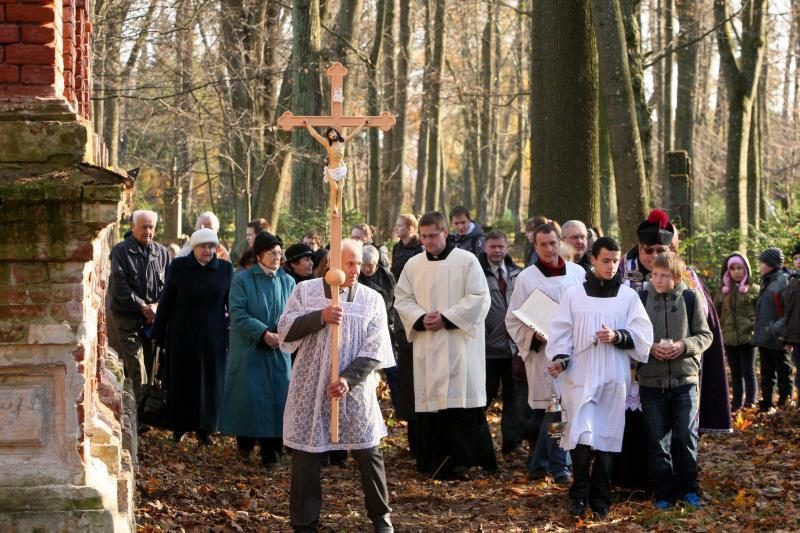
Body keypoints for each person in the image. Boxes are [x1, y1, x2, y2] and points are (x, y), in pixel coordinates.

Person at [278, 239, 395, 533]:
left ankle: (381, 518)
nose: (356, 270)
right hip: (311, 385)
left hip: (353, 389)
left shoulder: (372, 299)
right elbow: (285, 330)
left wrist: (347, 379)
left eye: (358, 263)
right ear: (332, 263)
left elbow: (376, 347)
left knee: (369, 452)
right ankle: (304, 522)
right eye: (350, 263)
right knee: (306, 456)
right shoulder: (305, 291)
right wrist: (320, 317)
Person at [546, 236, 653, 518]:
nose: (611, 266)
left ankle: (601, 498)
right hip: (579, 377)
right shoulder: (574, 295)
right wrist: (558, 359)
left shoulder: (628, 297)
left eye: (615, 261)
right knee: (581, 438)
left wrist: (617, 336)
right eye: (605, 260)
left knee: (606, 440)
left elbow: (643, 337)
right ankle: (578, 495)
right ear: (592, 260)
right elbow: (560, 333)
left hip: (612, 377)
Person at [395, 211, 496, 480]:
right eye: (424, 236)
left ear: (444, 232)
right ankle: (431, 461)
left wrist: (447, 318)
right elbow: (402, 298)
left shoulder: (467, 261)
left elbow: (480, 297)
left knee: (459, 401)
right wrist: (419, 317)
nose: (428, 241)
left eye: (433, 235)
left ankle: (464, 461)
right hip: (428, 345)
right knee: (432, 403)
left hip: (458, 344)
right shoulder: (414, 265)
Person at [506, 223, 584, 483]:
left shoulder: (577, 273)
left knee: (560, 409)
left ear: (560, 241)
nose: (549, 249)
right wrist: (534, 335)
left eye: (553, 243)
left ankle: (541, 464)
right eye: (543, 245)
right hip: (544, 355)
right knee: (555, 409)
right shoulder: (526, 278)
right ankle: (557, 465)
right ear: (535, 246)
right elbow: (513, 319)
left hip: (574, 352)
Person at [638, 252, 712, 509]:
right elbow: (634, 336)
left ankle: (689, 489)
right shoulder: (641, 299)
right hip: (651, 382)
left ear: (678, 277)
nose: (657, 280)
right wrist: (650, 349)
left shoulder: (690, 299)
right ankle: (663, 493)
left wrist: (684, 345)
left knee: (686, 438)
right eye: (654, 275)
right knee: (659, 442)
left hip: (685, 380)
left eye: (664, 276)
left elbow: (705, 336)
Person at [220, 231, 296, 467]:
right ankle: (245, 443)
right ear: (260, 255)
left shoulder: (288, 281)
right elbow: (239, 313)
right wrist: (263, 333)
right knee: (250, 399)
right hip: (250, 349)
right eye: (271, 253)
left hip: (279, 350)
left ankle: (271, 454)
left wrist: (283, 333)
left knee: (278, 400)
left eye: (279, 253)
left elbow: (294, 312)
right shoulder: (241, 280)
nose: (276, 257)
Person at [151, 228, 233, 444]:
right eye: (203, 246)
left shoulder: (225, 269)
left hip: (213, 335)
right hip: (182, 334)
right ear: (194, 248)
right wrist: (158, 331)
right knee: (183, 380)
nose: (207, 250)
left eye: (211, 246)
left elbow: (230, 303)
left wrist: (233, 333)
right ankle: (179, 426)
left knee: (210, 381)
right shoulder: (179, 267)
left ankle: (205, 428)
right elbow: (167, 299)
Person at [108, 210, 171, 411]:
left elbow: (170, 286)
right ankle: (136, 415)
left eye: (151, 227)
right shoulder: (120, 251)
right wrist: (142, 305)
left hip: (153, 320)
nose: (148, 231)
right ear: (134, 227)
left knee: (151, 369)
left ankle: (147, 410)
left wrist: (157, 306)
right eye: (144, 227)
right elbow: (119, 286)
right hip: (128, 318)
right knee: (137, 368)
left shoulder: (162, 253)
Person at [478, 230, 523, 455]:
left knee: (513, 399)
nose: (497, 251)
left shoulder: (517, 274)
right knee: (484, 396)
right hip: (487, 350)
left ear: (507, 249)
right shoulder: (477, 273)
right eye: (492, 246)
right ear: (485, 247)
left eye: (500, 247)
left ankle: (512, 444)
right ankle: (480, 445)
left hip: (514, 349)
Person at [390, 214, 424, 454]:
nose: (397, 229)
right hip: (405, 326)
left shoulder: (419, 250)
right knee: (409, 390)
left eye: (401, 225)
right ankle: (414, 442)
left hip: (423, 319)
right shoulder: (396, 249)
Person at [715, 252, 759, 411]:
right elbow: (716, 313)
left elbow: (760, 312)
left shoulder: (753, 290)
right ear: (728, 272)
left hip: (749, 337)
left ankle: (750, 401)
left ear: (746, 269)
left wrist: (755, 326)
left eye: (739, 268)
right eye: (733, 269)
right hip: (729, 338)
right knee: (735, 372)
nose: (736, 272)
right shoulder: (723, 291)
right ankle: (736, 403)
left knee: (748, 371)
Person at [753, 247, 792, 411]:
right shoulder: (767, 280)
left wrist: (775, 329)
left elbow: (790, 311)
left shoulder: (783, 281)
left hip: (778, 338)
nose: (760, 266)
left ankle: (785, 404)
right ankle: (766, 404)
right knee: (766, 374)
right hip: (765, 338)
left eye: (762, 263)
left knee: (784, 372)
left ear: (771, 264)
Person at [783, 244, 800, 395]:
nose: (798, 261)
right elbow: (788, 312)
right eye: (795, 258)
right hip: (796, 337)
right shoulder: (792, 282)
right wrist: (788, 339)